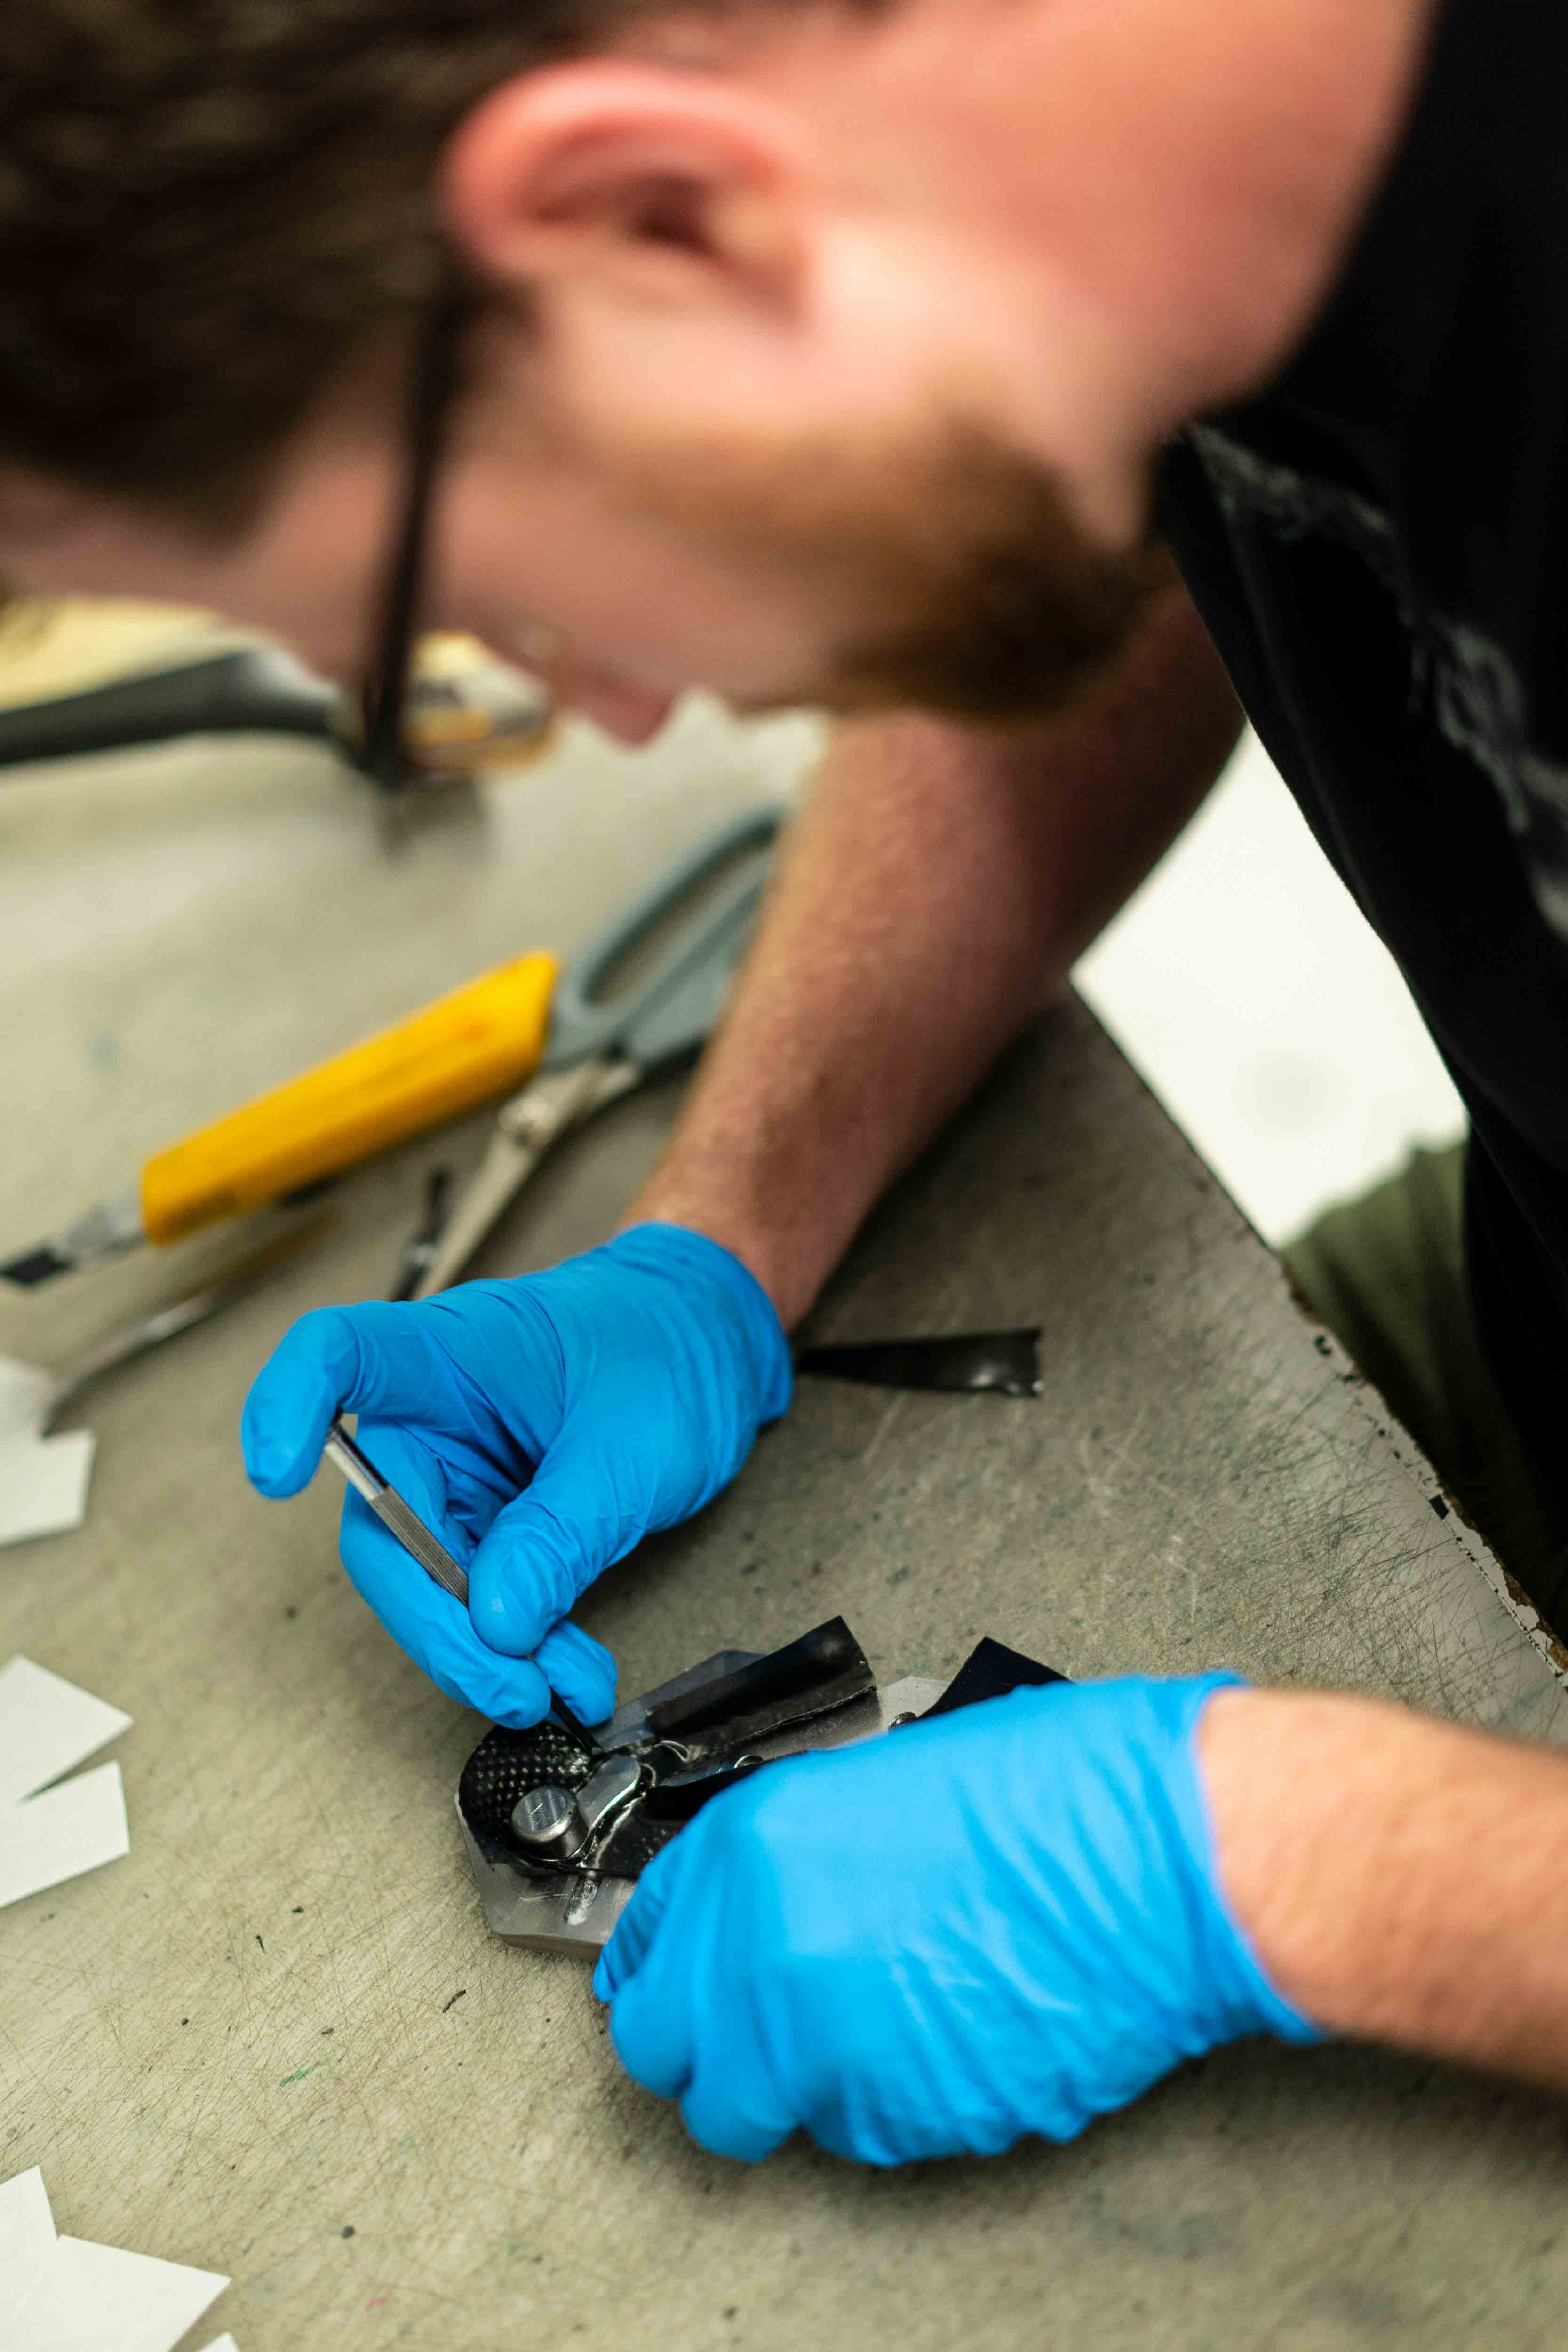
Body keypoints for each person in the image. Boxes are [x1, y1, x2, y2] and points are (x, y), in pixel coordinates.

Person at [3, 0, 1568, 2167]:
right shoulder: (1094, 145)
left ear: (648, 206)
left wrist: (1270, 1861)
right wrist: (727, 1237)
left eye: (486, 608)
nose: (628, 714)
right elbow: (1083, 498)